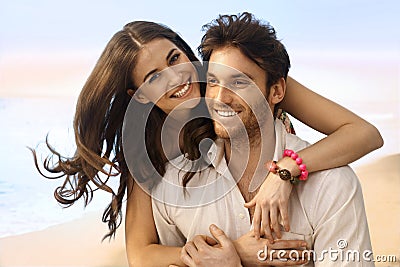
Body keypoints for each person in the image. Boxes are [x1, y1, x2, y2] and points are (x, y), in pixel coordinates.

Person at [31, 19, 382, 266]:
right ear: (139, 95)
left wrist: (286, 170)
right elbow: (141, 255)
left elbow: (362, 133)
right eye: (155, 77)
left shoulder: (241, 76)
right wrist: (234, 254)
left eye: (175, 59)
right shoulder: (149, 148)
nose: (177, 78)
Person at [150, 12, 375, 266]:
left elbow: (365, 134)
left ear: (276, 91)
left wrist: (286, 171)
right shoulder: (174, 187)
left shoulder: (331, 185)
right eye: (213, 82)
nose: (221, 98)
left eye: (239, 82)